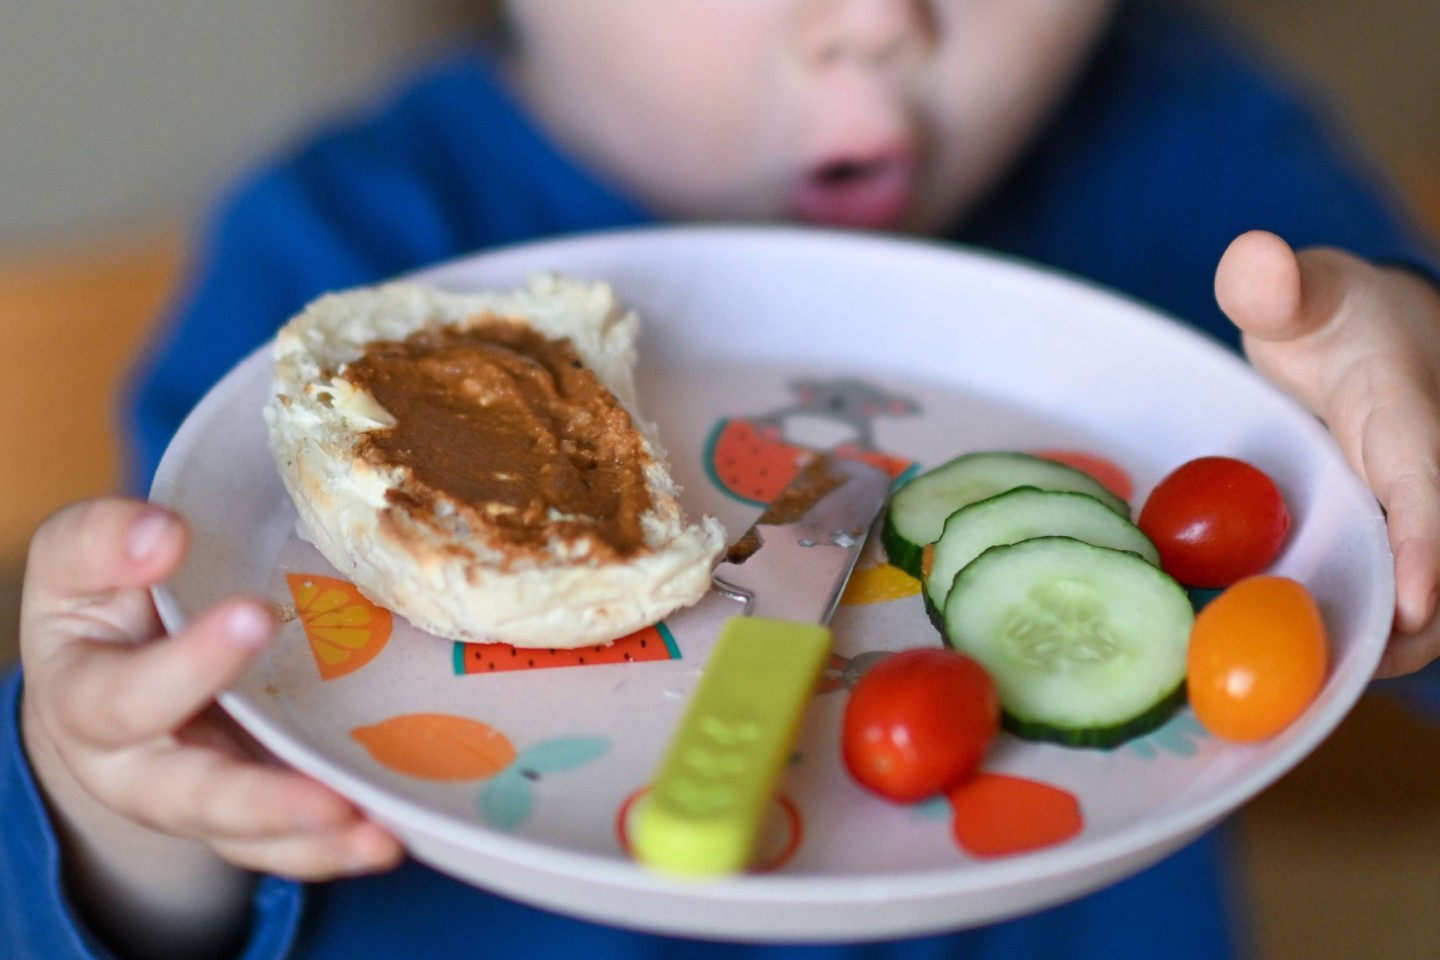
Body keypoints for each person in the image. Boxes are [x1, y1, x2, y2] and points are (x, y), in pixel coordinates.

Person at [8, 1, 1440, 957]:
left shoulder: (1214, 169)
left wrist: (1413, 447)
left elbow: (1391, 576)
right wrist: (128, 837)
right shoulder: (336, 247)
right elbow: (196, 780)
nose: (878, 22)